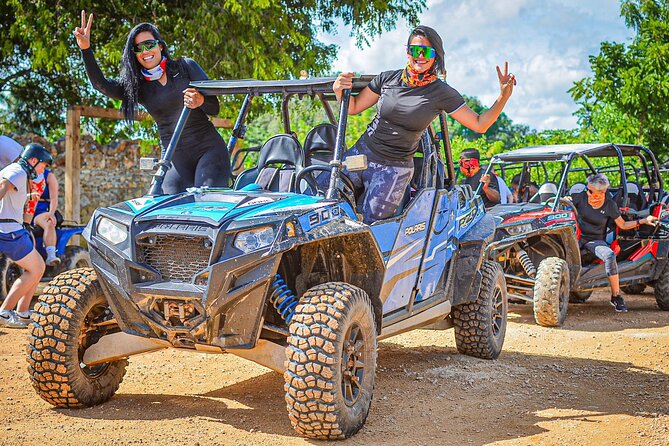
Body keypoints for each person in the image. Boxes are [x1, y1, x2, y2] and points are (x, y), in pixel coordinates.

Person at [333, 25, 515, 223]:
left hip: (394, 167)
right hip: (363, 154)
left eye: (426, 51)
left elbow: (480, 124)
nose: (420, 55)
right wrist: (338, 89)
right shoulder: (387, 78)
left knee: (373, 225)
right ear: (407, 52)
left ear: (435, 55)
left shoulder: (441, 92)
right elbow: (353, 107)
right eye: (414, 50)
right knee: (320, 194)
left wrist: (503, 96)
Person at [73, 11, 230, 194]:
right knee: (161, 206)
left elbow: (215, 107)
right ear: (135, 55)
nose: (145, 51)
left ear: (160, 46)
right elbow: (102, 85)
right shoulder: (138, 86)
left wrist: (200, 100)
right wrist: (85, 49)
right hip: (174, 157)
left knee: (204, 203)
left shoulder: (186, 67)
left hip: (209, 150)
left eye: (149, 44)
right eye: (139, 48)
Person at [566, 173, 658, 312]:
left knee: (609, 255)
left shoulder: (609, 205)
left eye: (591, 191)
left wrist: (643, 221)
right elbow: (565, 204)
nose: (587, 192)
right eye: (587, 189)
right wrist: (564, 199)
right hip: (576, 238)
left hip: (595, 240)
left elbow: (623, 225)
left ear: (601, 192)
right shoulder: (581, 198)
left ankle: (616, 296)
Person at [0, 143, 51, 329]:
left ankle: (22, 312)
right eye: (43, 166)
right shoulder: (18, 171)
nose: (43, 170)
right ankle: (5, 312)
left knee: (38, 266)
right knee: (36, 268)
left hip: (11, 229)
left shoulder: (17, 171)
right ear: (33, 160)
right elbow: (3, 186)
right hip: (9, 231)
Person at [24, 168, 60, 266]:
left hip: (40, 212)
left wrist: (51, 213)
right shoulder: (23, 172)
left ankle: (51, 255)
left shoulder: (48, 175)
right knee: (24, 228)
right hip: (24, 210)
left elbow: (54, 198)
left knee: (49, 222)